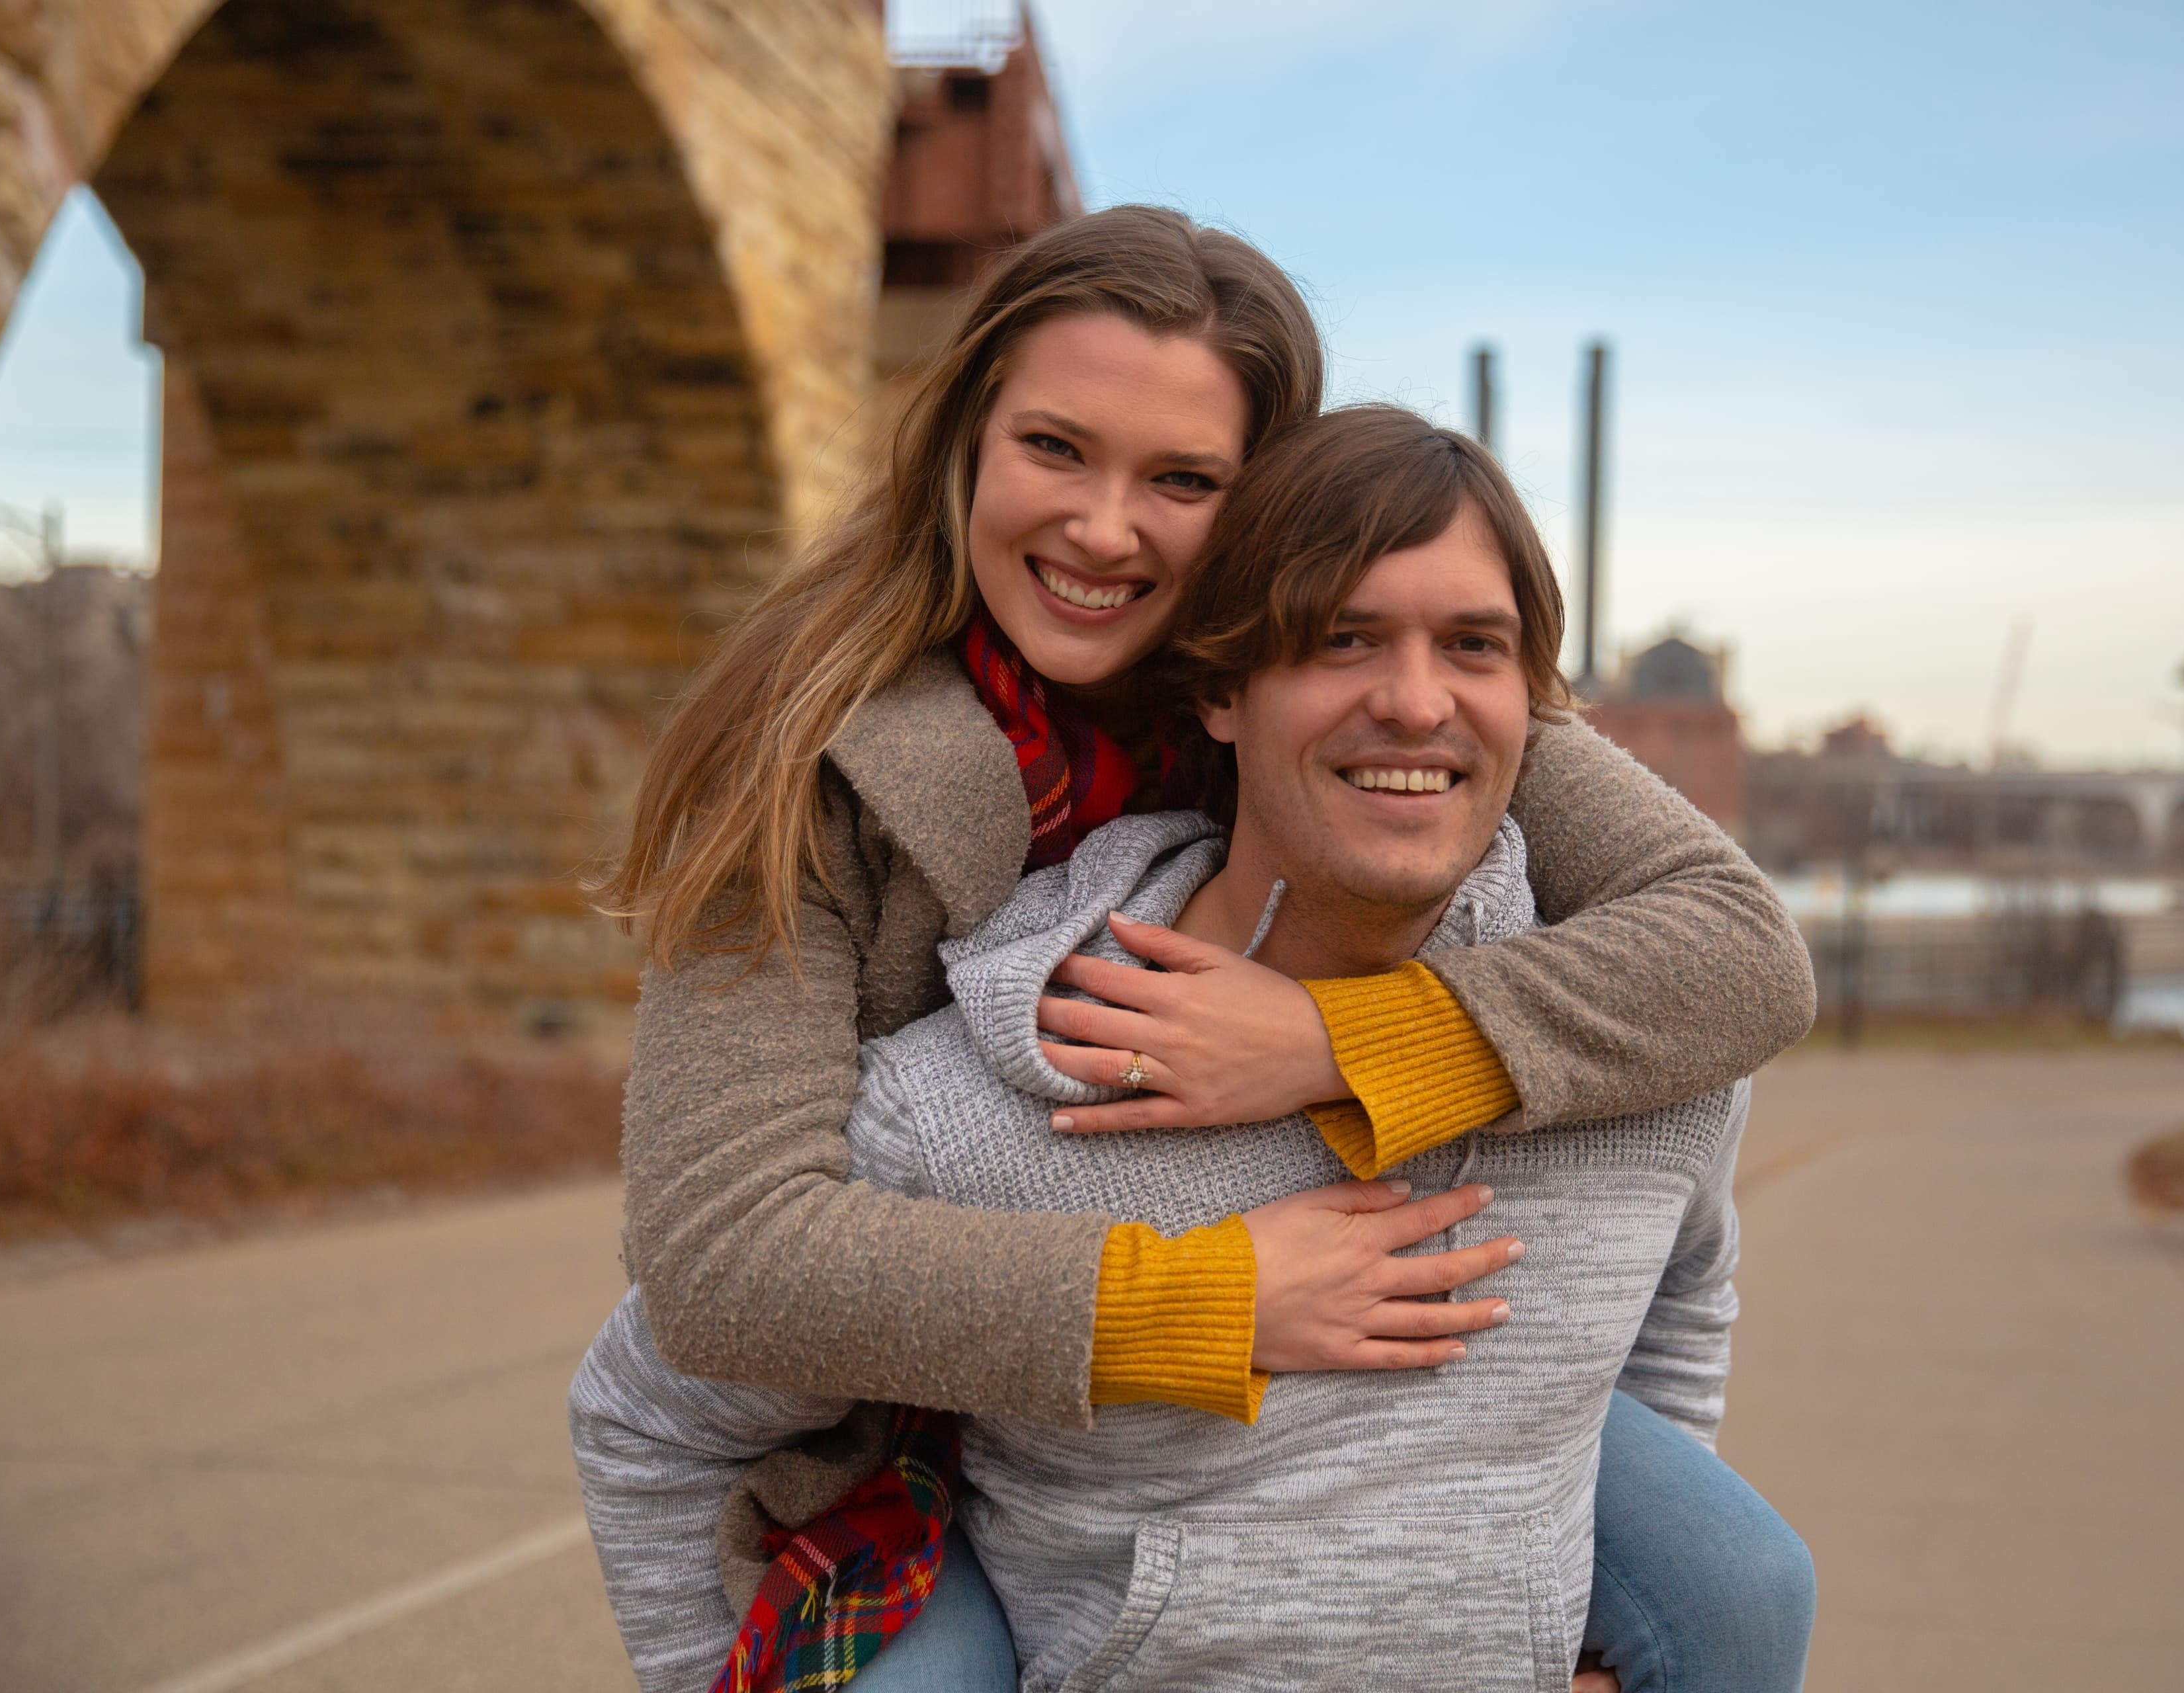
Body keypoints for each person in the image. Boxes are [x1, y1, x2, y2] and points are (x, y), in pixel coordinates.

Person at [589, 205, 1817, 1688]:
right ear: (964, 443)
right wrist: (1205, 1299)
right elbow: (723, 1265)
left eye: (1181, 478)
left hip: (1341, 1365)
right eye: (1055, 448)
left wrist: (1335, 1043)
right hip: (929, 1361)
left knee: (1742, 1589)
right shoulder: (804, 763)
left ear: (1262, 512)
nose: (1106, 529)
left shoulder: (1363, 665)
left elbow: (1739, 951)